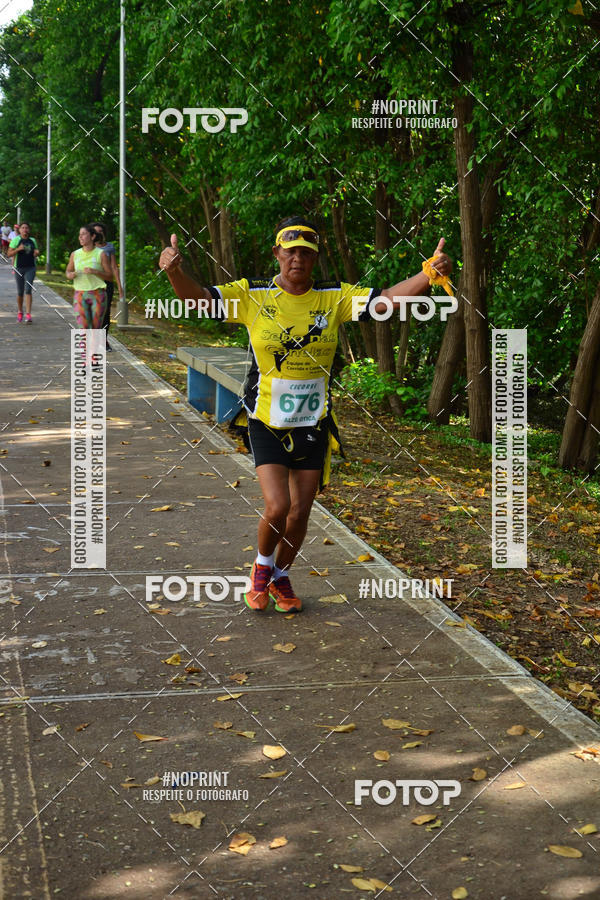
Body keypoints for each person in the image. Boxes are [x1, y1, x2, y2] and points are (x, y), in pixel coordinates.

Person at [159, 216, 452, 614]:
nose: (297, 258)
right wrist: (175, 272)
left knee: (300, 512)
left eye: (306, 252)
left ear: (315, 258)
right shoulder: (251, 294)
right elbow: (199, 299)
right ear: (277, 253)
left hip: (312, 423)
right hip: (265, 420)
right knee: (278, 507)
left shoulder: (333, 297)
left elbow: (386, 299)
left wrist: (427, 275)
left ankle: (280, 576)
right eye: (290, 251)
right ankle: (261, 569)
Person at [65, 224, 112, 330]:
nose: (80, 237)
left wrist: (95, 271)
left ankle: (96, 341)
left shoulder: (101, 254)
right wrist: (70, 275)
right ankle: (84, 342)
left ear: (92, 236)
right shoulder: (75, 254)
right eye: (79, 235)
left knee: (96, 329)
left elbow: (110, 276)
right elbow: (68, 271)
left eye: (83, 234)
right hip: (80, 294)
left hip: (98, 294)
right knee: (83, 327)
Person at [90, 221, 123, 350]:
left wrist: (120, 287)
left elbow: (114, 267)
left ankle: (103, 340)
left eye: (100, 231)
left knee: (105, 312)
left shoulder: (109, 247)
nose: (98, 234)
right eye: (95, 232)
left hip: (106, 284)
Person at [8, 222, 40, 323]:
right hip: (19, 268)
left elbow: (35, 252)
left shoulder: (32, 240)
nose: (25, 229)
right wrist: (18, 249)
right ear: (20, 230)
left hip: (31, 268)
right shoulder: (16, 240)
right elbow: (9, 254)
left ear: (29, 230)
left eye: (26, 228)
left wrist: (36, 253)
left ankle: (28, 314)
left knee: (28, 290)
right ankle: (20, 311)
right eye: (23, 228)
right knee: (20, 292)